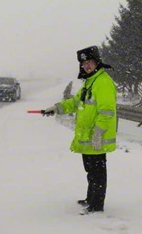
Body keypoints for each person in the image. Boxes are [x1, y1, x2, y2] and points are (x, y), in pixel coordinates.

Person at [42, 46, 117, 214]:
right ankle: (91, 199)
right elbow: (75, 103)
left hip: (97, 137)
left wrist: (98, 132)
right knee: (91, 171)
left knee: (97, 173)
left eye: (90, 62)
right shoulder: (90, 82)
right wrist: (56, 108)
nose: (87, 66)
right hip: (87, 137)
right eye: (84, 64)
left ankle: (97, 206)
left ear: (97, 63)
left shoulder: (103, 82)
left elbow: (106, 111)